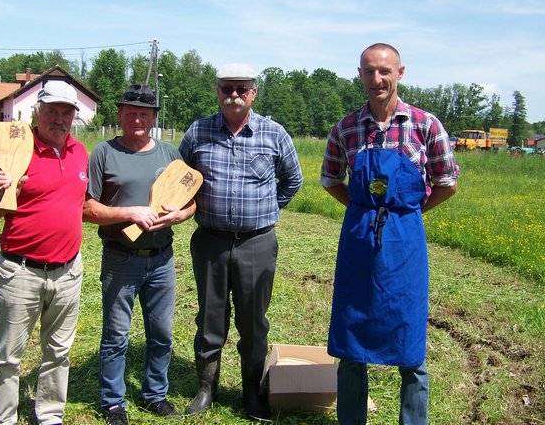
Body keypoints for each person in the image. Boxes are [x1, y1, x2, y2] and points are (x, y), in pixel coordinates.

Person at [320, 43, 460, 425]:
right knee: (351, 337)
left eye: (384, 71)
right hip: (358, 239)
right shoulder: (347, 128)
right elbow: (329, 178)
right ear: (360, 75)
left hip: (405, 241)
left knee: (409, 339)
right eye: (369, 71)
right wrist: (361, 207)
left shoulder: (425, 124)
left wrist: (409, 213)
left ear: (400, 72)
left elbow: (447, 183)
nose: (377, 79)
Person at [179, 63, 303, 420]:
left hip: (256, 244)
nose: (233, 94)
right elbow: (180, 176)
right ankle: (206, 389)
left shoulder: (273, 133)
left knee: (253, 321)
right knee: (209, 317)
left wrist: (266, 211)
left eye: (241, 88)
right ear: (217, 92)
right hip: (210, 242)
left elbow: (292, 181)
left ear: (253, 93)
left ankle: (252, 393)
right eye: (226, 88)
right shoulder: (198, 132)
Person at [83, 84, 196, 425]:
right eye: (130, 111)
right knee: (116, 336)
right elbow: (88, 208)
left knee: (161, 334)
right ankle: (113, 402)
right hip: (120, 258)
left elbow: (190, 201)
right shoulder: (103, 152)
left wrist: (180, 215)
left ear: (153, 118)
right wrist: (129, 213)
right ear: (119, 115)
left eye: (144, 113)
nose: (136, 118)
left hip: (162, 259)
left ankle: (154, 395)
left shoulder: (170, 155)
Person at [0, 80, 89, 425]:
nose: (59, 119)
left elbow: (82, 204)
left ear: (74, 116)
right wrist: (3, 195)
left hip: (68, 271)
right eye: (52, 111)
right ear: (38, 112)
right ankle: (4, 418)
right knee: (9, 355)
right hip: (20, 270)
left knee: (58, 351)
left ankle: (50, 414)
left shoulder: (80, 152)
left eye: (66, 112)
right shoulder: (15, 150)